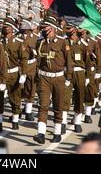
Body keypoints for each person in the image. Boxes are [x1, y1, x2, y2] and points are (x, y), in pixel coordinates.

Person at [33, 16, 70, 144]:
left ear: (53, 28)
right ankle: (41, 134)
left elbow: (68, 61)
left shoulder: (62, 42)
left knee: (58, 106)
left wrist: (68, 78)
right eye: (42, 27)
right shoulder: (40, 42)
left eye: (46, 27)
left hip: (58, 77)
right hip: (44, 77)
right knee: (42, 105)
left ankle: (57, 132)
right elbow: (38, 59)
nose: (43, 29)